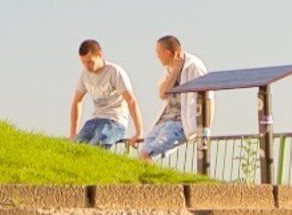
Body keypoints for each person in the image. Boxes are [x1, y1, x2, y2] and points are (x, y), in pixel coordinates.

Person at [140, 34, 210, 166]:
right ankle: (152, 183)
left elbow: (208, 96)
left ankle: (154, 184)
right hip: (165, 120)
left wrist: (206, 128)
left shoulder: (194, 66)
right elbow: (163, 93)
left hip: (181, 122)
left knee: (147, 153)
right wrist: (176, 70)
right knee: (144, 153)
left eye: (158, 53)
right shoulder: (169, 69)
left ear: (167, 53)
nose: (157, 56)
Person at [61, 38, 141, 149]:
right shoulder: (85, 75)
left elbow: (131, 101)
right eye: (83, 62)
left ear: (99, 55)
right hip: (94, 121)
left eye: (90, 62)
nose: (87, 66)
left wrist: (139, 132)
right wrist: (73, 133)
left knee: (95, 147)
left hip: (114, 122)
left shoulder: (115, 72)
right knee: (75, 148)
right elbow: (77, 100)